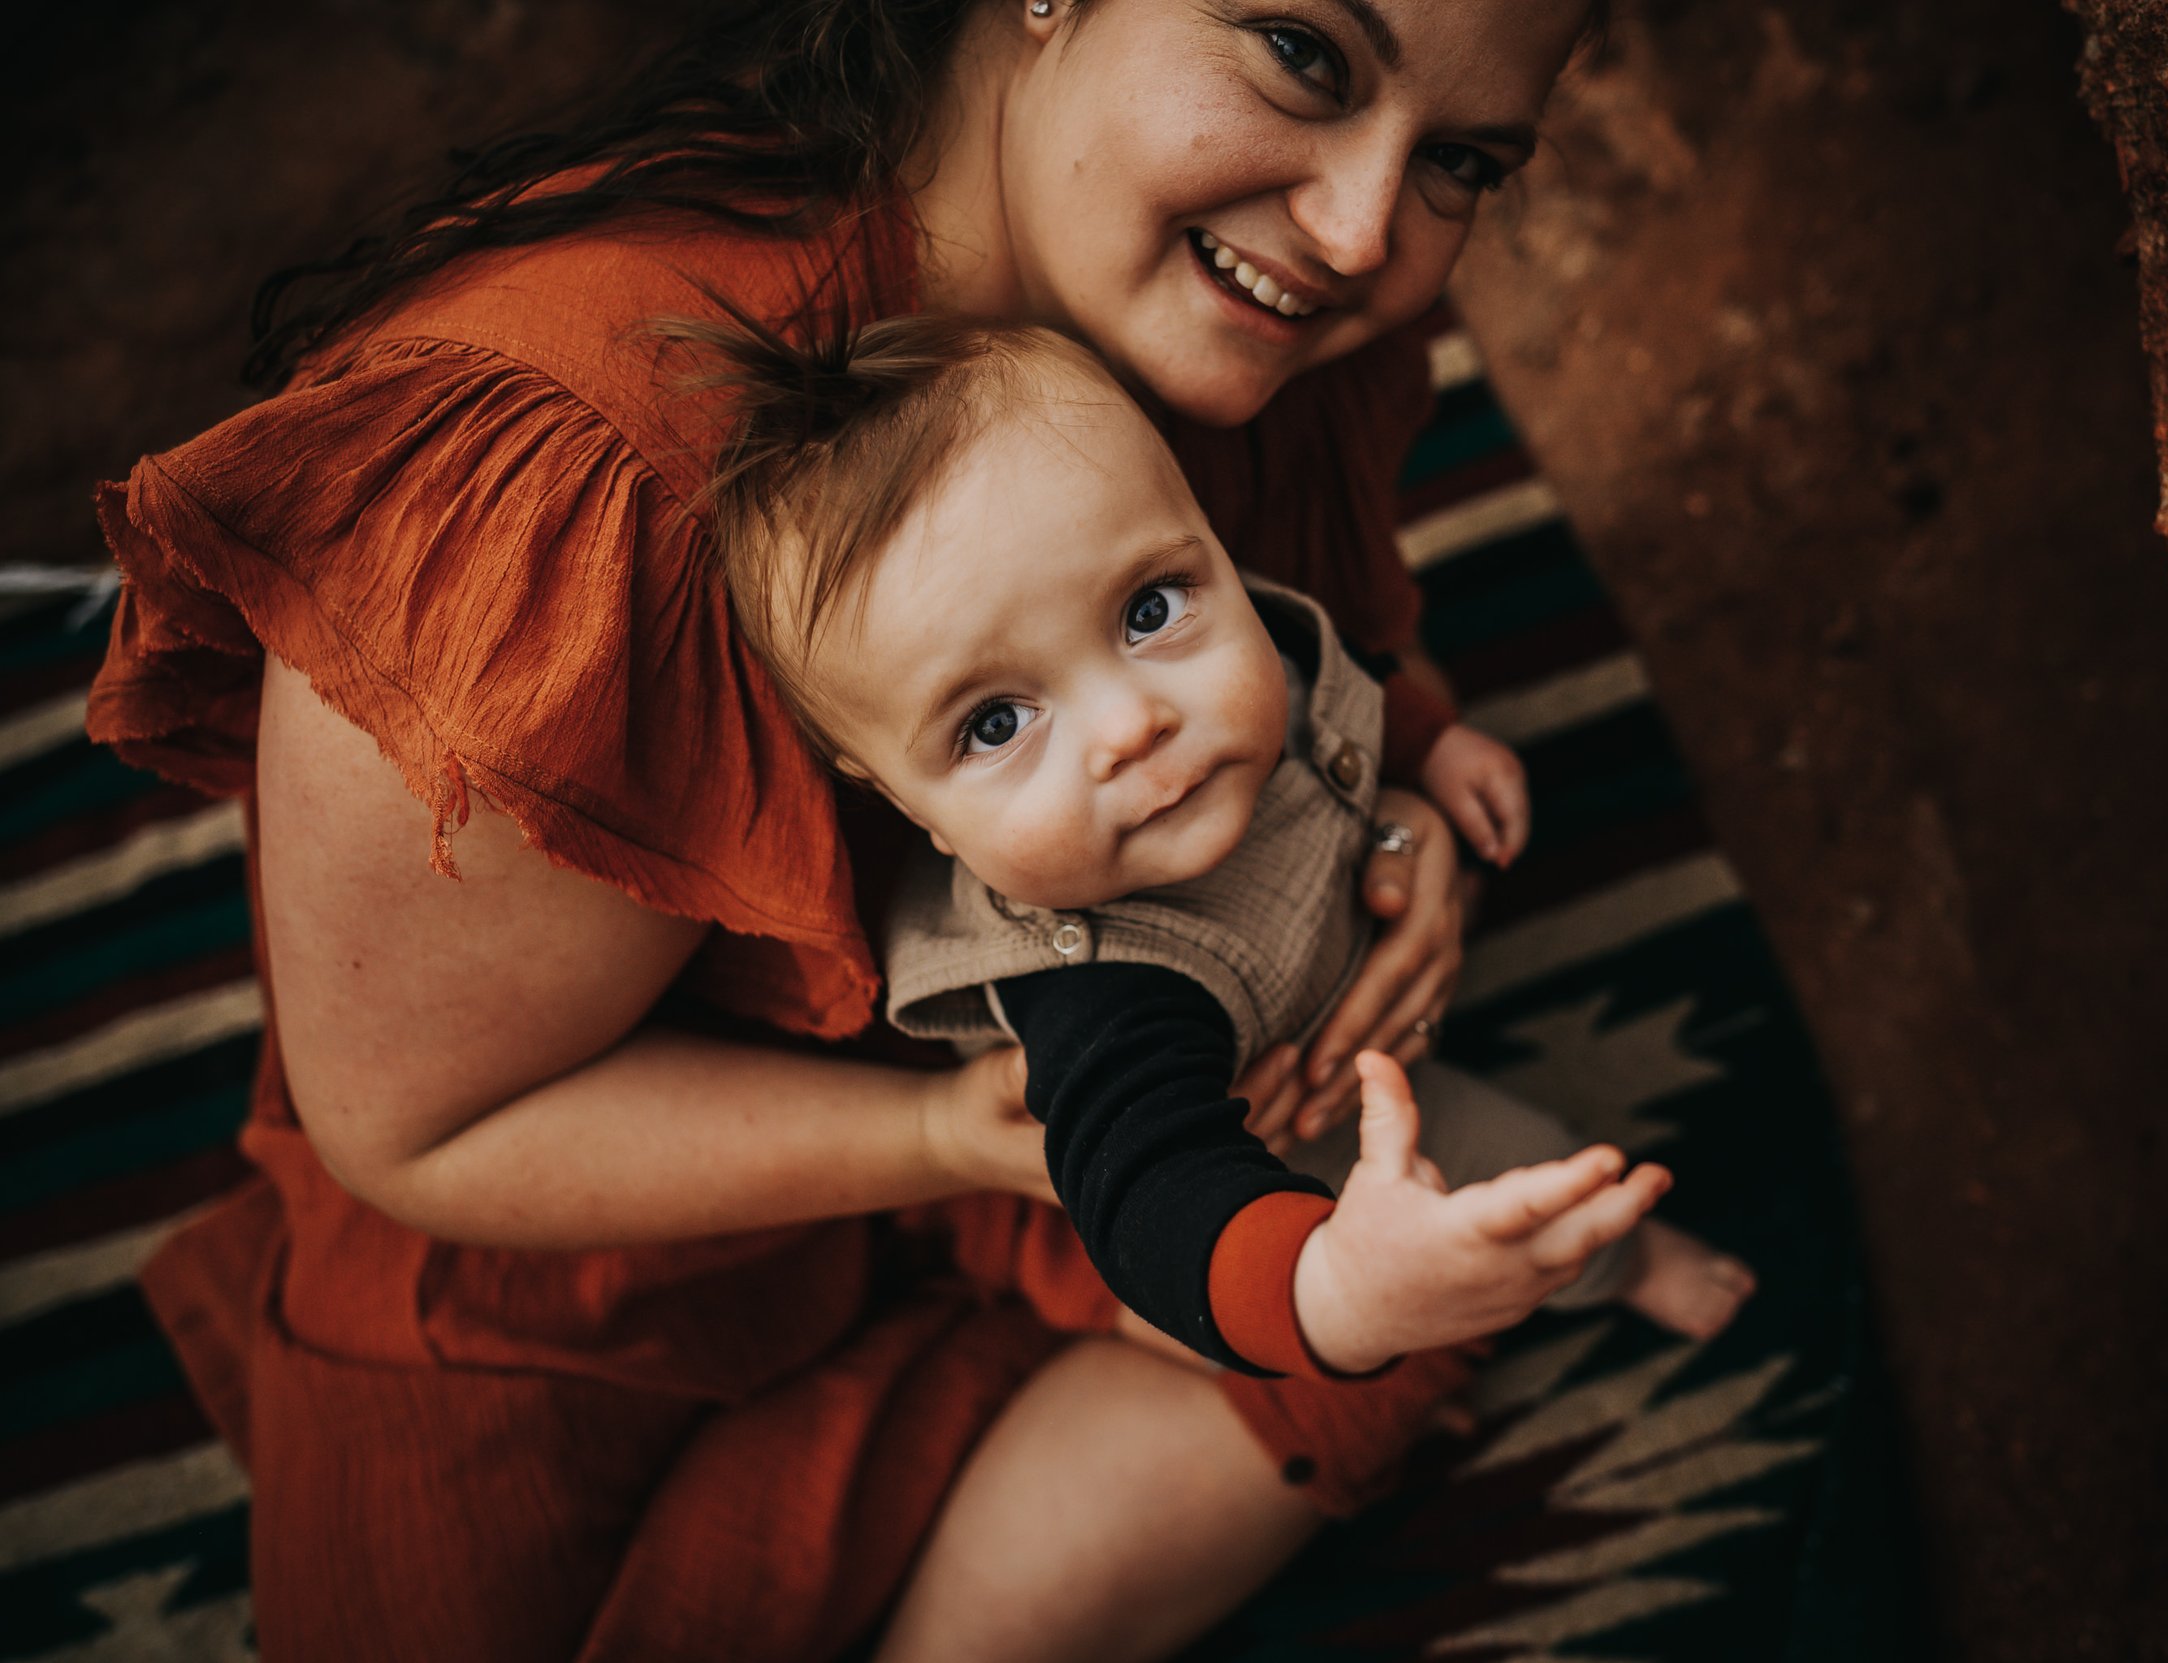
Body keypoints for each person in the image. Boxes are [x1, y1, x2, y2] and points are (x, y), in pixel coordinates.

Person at [88, 2, 1609, 1658]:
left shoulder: (1268, 295)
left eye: (1461, 162)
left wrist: (1389, 810)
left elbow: (1339, 633)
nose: (1364, 229)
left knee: (1374, 1315)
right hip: (588, 1266)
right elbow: (420, 1131)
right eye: (1305, 57)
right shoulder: (580, 488)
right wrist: (949, 1137)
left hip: (1061, 1100)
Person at [686, 311, 1758, 1367]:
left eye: (1147, 609)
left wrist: (1425, 748)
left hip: (1347, 924)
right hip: (1323, 1110)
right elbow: (1149, 1189)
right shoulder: (1100, 990)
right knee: (1534, 1187)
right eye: (995, 723)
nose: (1130, 722)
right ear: (909, 807)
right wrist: (1328, 1288)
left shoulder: (1242, 638)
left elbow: (1317, 666)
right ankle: (1627, 1265)